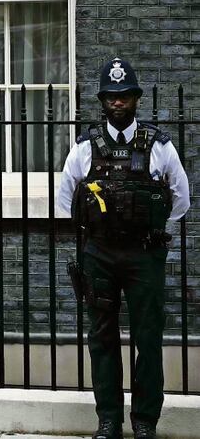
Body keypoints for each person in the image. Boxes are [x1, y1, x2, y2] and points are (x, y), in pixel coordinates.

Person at [58, 58, 190, 439]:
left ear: (136, 98)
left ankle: (145, 421)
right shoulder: (85, 147)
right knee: (102, 337)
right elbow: (66, 200)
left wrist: (145, 226)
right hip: (98, 253)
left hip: (143, 254)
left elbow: (180, 200)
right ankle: (109, 420)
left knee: (148, 338)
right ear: (102, 100)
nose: (118, 102)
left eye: (125, 95)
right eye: (112, 97)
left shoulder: (159, 146)